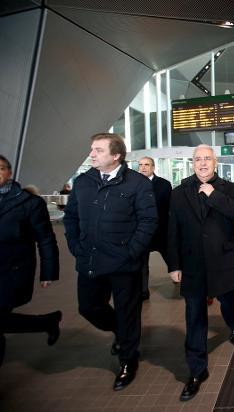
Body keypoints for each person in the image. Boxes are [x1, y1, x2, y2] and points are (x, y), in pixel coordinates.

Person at [63, 133, 157, 391]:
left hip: (124, 264)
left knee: (128, 312)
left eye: (98, 150)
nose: (92, 154)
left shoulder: (137, 184)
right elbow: (70, 217)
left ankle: (128, 359)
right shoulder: (83, 182)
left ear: (115, 156)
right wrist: (75, 246)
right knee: (89, 307)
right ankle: (123, 332)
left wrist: (132, 251)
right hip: (90, 260)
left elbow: (148, 221)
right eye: (92, 149)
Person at [167, 145, 234, 401]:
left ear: (215, 162)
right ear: (192, 163)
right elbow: (173, 231)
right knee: (194, 317)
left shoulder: (228, 189)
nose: (202, 163)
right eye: (198, 159)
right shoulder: (179, 193)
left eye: (207, 159)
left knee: (229, 302)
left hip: (223, 261)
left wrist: (214, 196)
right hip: (192, 266)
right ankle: (197, 370)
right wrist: (174, 265)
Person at [0, 153, 61, 408]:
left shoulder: (27, 202)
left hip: (6, 274)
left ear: (9, 172)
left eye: (0, 168)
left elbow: (46, 238)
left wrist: (49, 271)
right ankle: (46, 322)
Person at [137, 156, 172, 301]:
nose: (143, 167)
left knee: (171, 258)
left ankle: (179, 277)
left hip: (161, 231)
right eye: (141, 165)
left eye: (147, 164)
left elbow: (170, 208)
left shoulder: (164, 184)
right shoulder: (133, 184)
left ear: (153, 167)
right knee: (142, 264)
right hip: (142, 232)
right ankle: (143, 291)